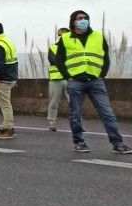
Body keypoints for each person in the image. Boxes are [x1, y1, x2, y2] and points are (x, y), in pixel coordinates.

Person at [53, 11, 131, 154]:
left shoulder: (98, 36)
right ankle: (79, 142)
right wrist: (67, 75)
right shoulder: (66, 39)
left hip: (96, 81)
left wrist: (102, 74)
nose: (83, 20)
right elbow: (59, 59)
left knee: (107, 113)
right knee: (75, 114)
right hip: (75, 81)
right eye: (80, 18)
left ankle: (118, 143)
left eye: (85, 18)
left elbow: (106, 57)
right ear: (73, 22)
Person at [45, 27, 69, 132]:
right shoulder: (53, 47)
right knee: (53, 103)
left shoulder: (73, 48)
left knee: (74, 102)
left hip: (70, 78)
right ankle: (51, 123)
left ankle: (78, 123)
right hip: (56, 79)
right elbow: (52, 60)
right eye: (61, 35)